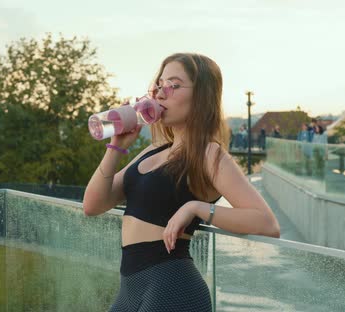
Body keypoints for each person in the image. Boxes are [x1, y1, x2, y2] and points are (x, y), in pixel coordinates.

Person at [83, 53, 281, 312]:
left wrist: (196, 208)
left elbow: (267, 223)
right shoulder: (152, 151)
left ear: (201, 96)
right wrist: (115, 147)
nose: (161, 94)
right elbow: (92, 205)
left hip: (173, 288)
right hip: (130, 288)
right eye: (159, 85)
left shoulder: (208, 154)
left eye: (173, 85)